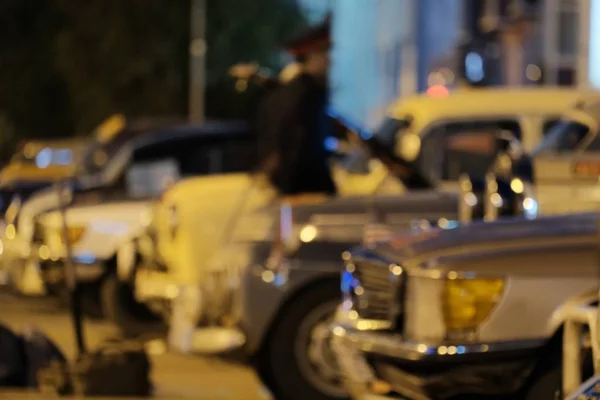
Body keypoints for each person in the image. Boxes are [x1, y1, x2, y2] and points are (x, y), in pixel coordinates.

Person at [257, 14, 336, 196]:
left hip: (290, 194)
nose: (330, 61)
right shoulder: (307, 96)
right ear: (309, 56)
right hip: (307, 197)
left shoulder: (285, 93)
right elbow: (300, 152)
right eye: (324, 53)